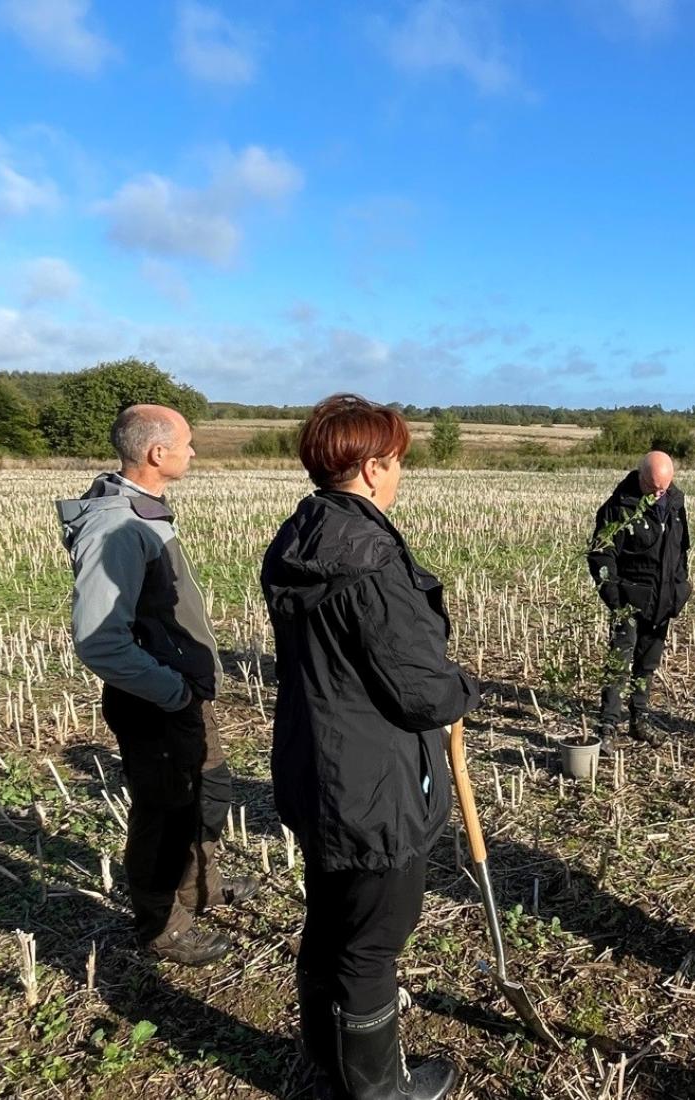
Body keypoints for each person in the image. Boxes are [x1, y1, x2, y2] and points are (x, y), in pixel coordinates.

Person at [261, 394, 477, 1100]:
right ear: (374, 466)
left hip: (313, 767)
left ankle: (328, 1062)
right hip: (371, 786)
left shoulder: (296, 539)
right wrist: (461, 688)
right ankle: (379, 1091)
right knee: (374, 941)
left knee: (330, 922)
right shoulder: (373, 563)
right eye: (398, 462)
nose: (400, 474)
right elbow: (418, 691)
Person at [56, 404, 256, 967]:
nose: (194, 452)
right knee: (165, 813)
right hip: (156, 698)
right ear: (156, 453)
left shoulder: (140, 513)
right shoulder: (115, 526)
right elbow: (99, 640)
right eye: (187, 443)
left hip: (178, 690)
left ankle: (201, 888)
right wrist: (172, 691)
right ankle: (163, 925)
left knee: (207, 793)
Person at [587, 450, 692, 747]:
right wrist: (614, 596)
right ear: (641, 477)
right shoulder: (617, 507)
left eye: (665, 487)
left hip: (663, 600)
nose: (659, 493)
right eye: (654, 486)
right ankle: (607, 726)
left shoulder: (674, 503)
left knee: (647, 664)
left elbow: (681, 549)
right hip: (629, 600)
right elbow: (601, 554)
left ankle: (639, 720)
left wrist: (680, 587)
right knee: (618, 664)